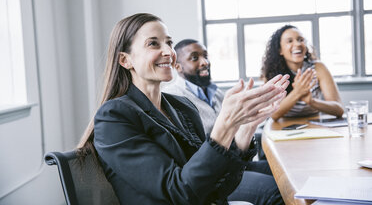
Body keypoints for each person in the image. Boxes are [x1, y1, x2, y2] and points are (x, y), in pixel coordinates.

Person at [78, 13, 289, 205]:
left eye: (169, 43)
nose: (169, 51)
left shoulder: (183, 107)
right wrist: (225, 124)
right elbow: (179, 193)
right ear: (125, 60)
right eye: (153, 44)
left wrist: (245, 129)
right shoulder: (114, 116)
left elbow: (219, 189)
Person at [162, 39, 286, 203]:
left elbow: (236, 136)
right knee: (277, 190)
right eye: (194, 58)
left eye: (205, 56)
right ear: (178, 67)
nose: (204, 62)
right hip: (214, 174)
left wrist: (251, 121)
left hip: (233, 161)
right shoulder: (173, 98)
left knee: (282, 170)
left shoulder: (217, 93)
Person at [261, 24, 344, 121]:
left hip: (314, 122)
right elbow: (273, 114)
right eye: (290, 41)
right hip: (282, 125)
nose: (297, 44)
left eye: (300, 40)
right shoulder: (273, 73)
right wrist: (298, 92)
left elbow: (339, 110)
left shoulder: (318, 68)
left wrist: (312, 101)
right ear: (280, 50)